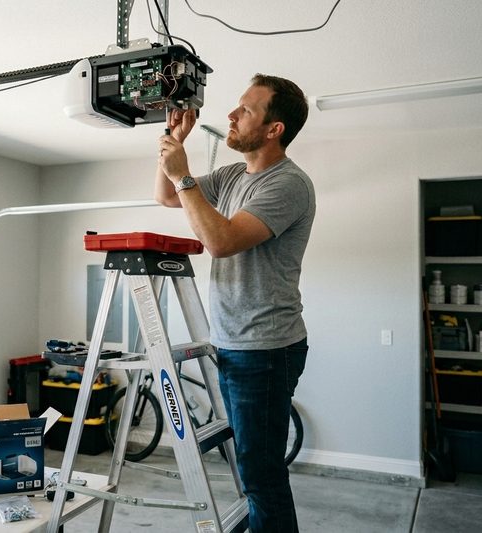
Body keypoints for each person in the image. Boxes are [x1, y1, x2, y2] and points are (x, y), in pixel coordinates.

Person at [155, 74, 315, 533]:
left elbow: (221, 242)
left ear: (273, 129)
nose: (230, 114)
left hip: (265, 349)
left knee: (261, 476)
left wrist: (184, 173)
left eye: (245, 109)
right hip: (233, 342)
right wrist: (172, 143)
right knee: (252, 470)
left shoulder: (289, 185)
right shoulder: (230, 176)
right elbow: (166, 195)